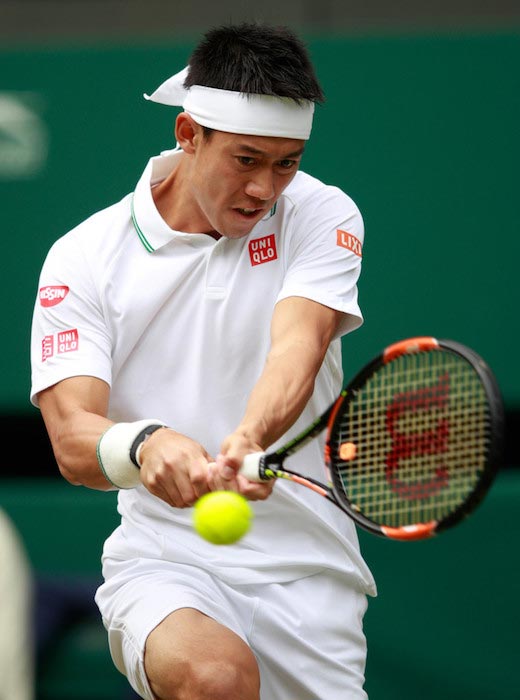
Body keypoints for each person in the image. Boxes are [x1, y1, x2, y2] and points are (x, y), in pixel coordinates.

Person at [30, 22, 376, 700]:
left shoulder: (322, 214)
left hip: (311, 574)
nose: (265, 188)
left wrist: (249, 436)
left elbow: (299, 346)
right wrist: (144, 444)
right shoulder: (83, 259)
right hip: (166, 560)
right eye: (245, 160)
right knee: (216, 678)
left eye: (287, 162)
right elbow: (74, 438)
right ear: (188, 134)